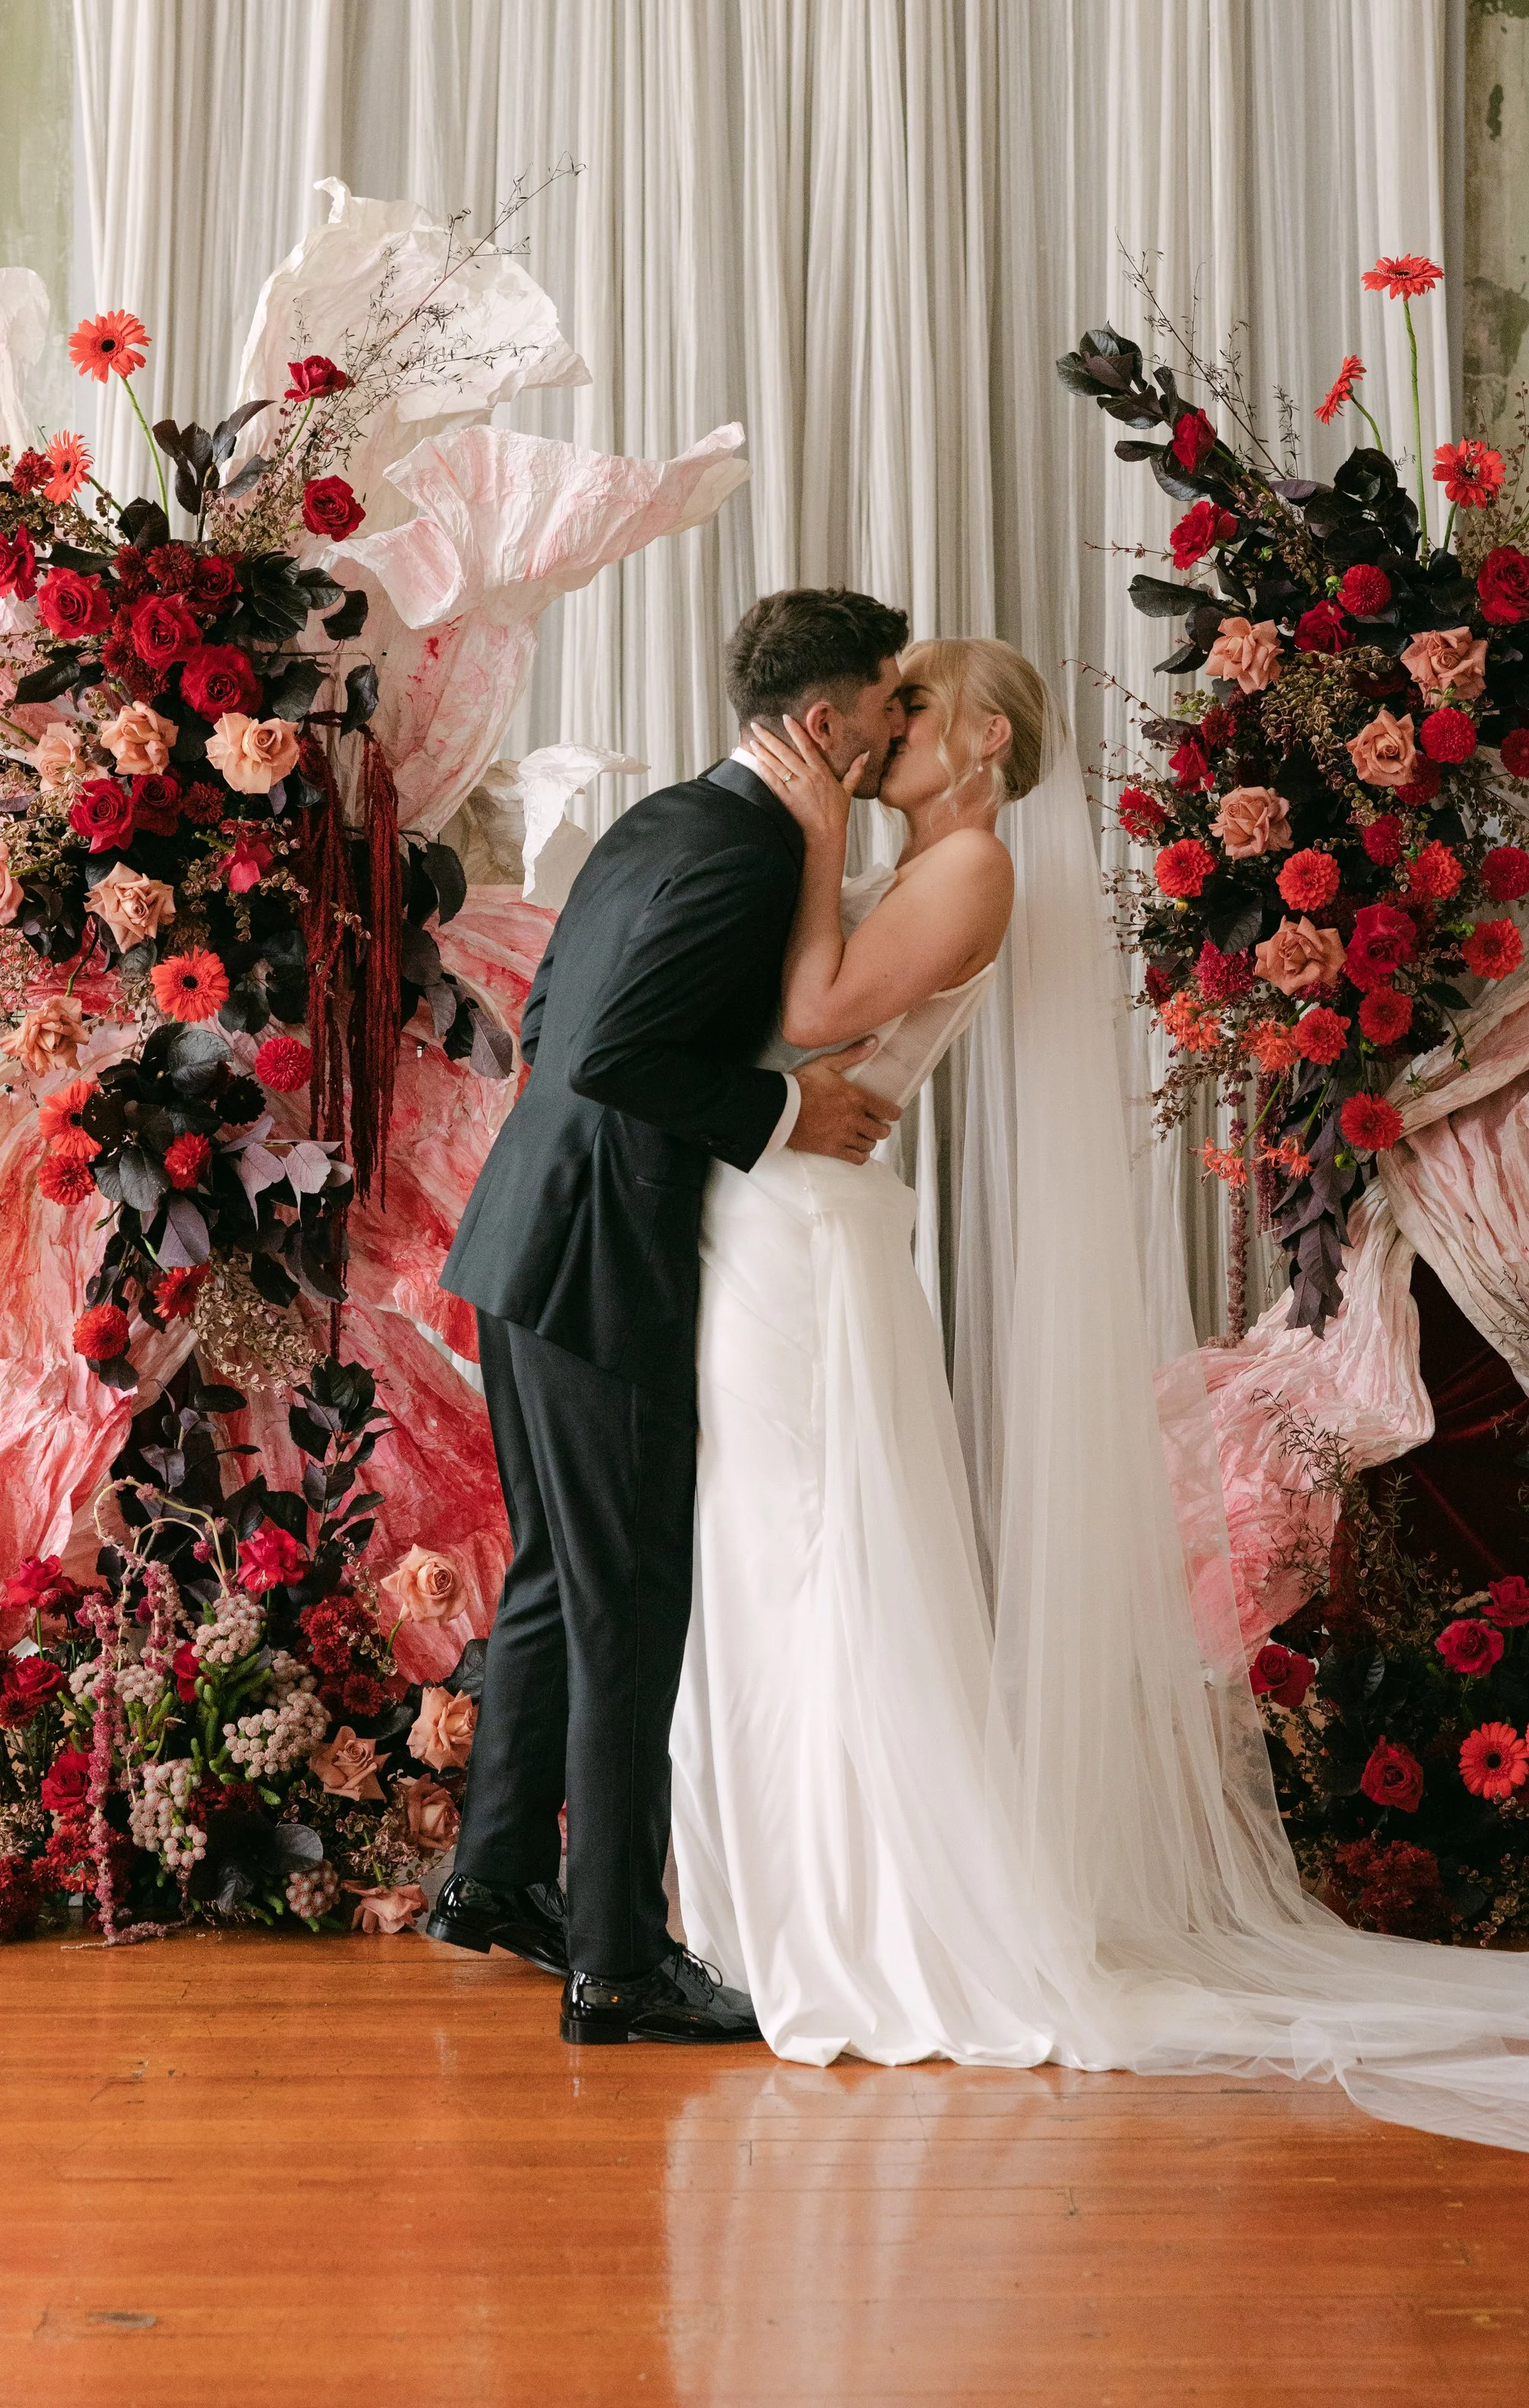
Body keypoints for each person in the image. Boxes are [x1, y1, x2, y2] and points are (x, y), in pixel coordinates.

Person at [672, 632, 1529, 2181]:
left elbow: (799, 1001)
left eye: (910, 704)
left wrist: (806, 827)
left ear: (981, 736)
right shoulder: (922, 853)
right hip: (786, 1218)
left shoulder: (964, 864)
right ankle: (789, 1884)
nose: (873, 728)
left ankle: (858, 1907)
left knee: (812, 1556)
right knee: (780, 1557)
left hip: (817, 1230)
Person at [430, 587, 910, 2047]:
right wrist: (788, 1108)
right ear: (825, 724)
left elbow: (557, 1008)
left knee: (555, 1580)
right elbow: (623, 1048)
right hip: (594, 1261)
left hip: (520, 1240)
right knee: (629, 1603)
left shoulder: (672, 817)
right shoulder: (755, 853)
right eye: (888, 704)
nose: (898, 726)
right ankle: (619, 1966)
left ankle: (495, 1881)